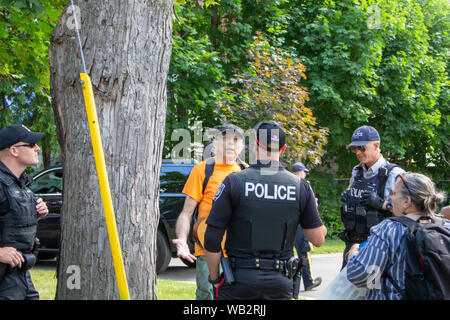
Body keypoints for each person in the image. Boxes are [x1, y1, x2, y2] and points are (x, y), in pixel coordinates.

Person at [204, 121, 327, 300]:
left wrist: (215, 279)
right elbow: (318, 239)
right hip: (280, 282)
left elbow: (211, 238)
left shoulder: (234, 182)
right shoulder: (300, 187)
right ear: (283, 149)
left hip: (239, 281)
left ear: (255, 145)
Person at [346, 172, 449, 299]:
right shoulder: (446, 227)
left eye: (394, 193)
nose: (390, 198)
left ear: (407, 201)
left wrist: (352, 256)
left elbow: (362, 276)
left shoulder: (388, 230)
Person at [172, 124, 245, 300]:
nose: (230, 144)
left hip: (239, 252)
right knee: (207, 296)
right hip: (208, 250)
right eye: (225, 139)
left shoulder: (246, 172)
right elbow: (186, 213)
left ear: (241, 146)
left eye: (235, 140)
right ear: (215, 144)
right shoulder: (203, 170)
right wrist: (182, 240)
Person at [339, 125, 404, 269]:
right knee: (344, 289)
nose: (358, 152)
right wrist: (348, 198)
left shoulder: (394, 174)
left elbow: (407, 212)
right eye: (355, 149)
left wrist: (381, 203)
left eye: (362, 147)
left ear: (377, 145)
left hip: (378, 247)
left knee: (371, 289)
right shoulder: (356, 172)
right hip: (352, 244)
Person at [0, 124, 49, 300]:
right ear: (13, 150)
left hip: (21, 276)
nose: (37, 148)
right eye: (30, 144)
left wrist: (36, 213)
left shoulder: (19, 184)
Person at [291, 162, 322, 291]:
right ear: (300, 173)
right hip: (302, 225)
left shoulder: (288, 184)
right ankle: (308, 282)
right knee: (303, 253)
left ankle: (291, 283)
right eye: (303, 172)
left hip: (290, 223)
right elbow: (312, 207)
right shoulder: (305, 185)